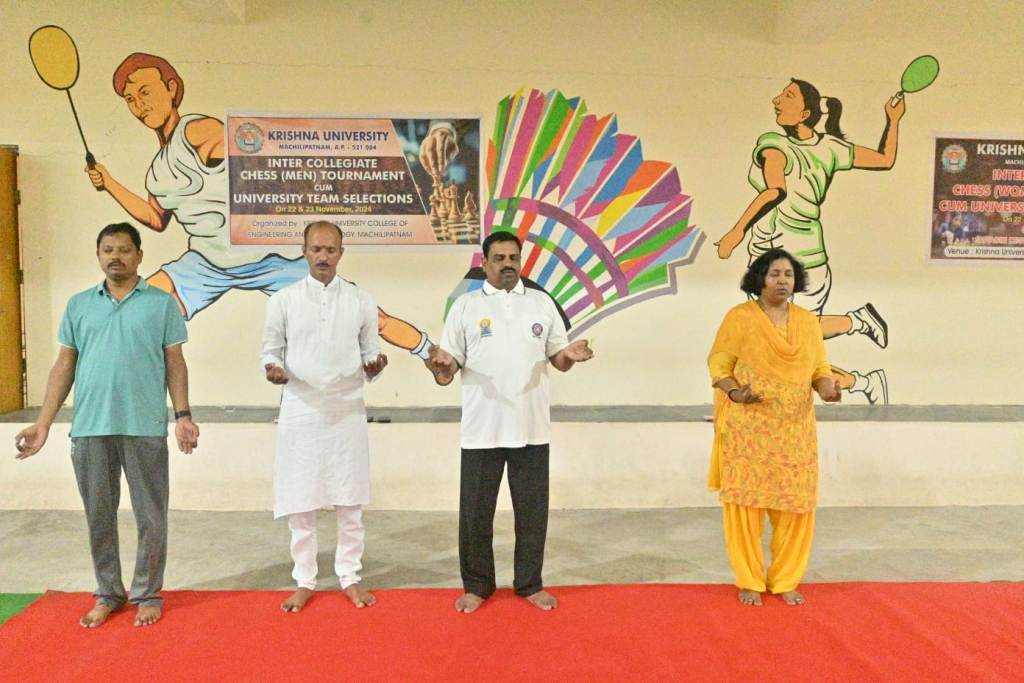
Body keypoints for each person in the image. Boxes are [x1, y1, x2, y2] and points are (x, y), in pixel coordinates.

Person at [86, 52, 442, 378]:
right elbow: (155, 217)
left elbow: (244, 153)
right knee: (139, 306)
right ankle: (109, 373)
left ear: (171, 88)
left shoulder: (195, 130)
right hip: (206, 263)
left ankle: (430, 353)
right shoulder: (157, 170)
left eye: (145, 92)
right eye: (130, 99)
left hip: (268, 258)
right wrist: (109, 183)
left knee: (366, 316)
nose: (139, 104)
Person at [14, 222, 199, 628]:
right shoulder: (79, 305)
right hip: (90, 427)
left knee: (151, 515)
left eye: (124, 250)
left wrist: (182, 416)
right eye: (108, 250)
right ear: (98, 255)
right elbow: (64, 366)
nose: (116, 256)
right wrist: (43, 423)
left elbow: (175, 363)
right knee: (99, 515)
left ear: (139, 256)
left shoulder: (161, 304)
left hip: (144, 425)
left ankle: (147, 593)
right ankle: (108, 593)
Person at [428, 231, 594, 613]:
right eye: (499, 258)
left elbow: (558, 359)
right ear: (484, 263)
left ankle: (530, 583)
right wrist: (442, 364)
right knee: (475, 514)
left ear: (521, 261)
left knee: (532, 512)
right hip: (481, 430)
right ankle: (477, 586)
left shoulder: (541, 303)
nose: (507, 264)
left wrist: (570, 355)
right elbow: (450, 364)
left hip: (531, 427)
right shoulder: (465, 306)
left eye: (513, 258)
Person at [715, 78, 907, 404]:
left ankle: (860, 373)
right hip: (801, 260)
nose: (776, 100)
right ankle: (858, 333)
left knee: (789, 348)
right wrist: (893, 120)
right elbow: (885, 158)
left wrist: (736, 232)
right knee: (786, 342)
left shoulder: (776, 145)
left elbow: (775, 190)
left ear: (804, 113)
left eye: (787, 96)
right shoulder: (829, 147)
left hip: (789, 262)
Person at [261, 221, 387, 612]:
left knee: (350, 500)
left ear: (341, 253)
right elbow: (270, 351)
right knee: (301, 499)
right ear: (304, 251)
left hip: (346, 409)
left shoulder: (361, 300)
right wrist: (273, 369)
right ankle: (305, 579)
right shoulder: (283, 300)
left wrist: (374, 366)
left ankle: (350, 576)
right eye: (316, 249)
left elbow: (371, 352)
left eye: (330, 250)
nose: (323, 256)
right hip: (300, 409)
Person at [707, 248, 841, 607]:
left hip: (794, 431)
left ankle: (785, 580)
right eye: (775, 274)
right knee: (745, 508)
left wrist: (827, 389)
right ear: (760, 279)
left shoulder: (807, 322)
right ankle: (749, 580)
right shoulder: (740, 318)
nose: (783, 281)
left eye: (789, 275)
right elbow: (720, 363)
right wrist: (736, 393)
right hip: (748, 429)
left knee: (795, 509)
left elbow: (819, 369)